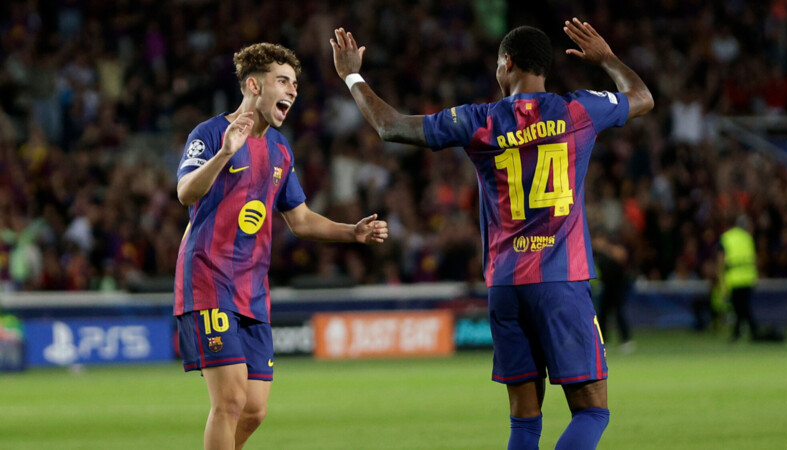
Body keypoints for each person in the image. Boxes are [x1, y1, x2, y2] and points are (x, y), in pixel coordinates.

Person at [331, 18, 653, 449]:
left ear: (508, 63)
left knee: (524, 422)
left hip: (505, 285)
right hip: (561, 280)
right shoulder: (579, 110)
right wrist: (608, 58)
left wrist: (352, 75)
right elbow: (643, 98)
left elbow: (390, 126)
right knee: (592, 411)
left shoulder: (479, 120)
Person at [174, 42, 388, 450]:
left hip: (252, 289)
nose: (293, 90)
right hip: (208, 280)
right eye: (283, 81)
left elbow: (301, 219)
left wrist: (352, 232)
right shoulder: (210, 134)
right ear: (254, 86)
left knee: (254, 409)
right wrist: (224, 154)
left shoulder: (280, 150)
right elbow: (186, 192)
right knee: (230, 400)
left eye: (295, 84)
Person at [719, 216, 759, 341]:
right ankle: (744, 332)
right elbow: (754, 259)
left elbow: (721, 259)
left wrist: (721, 279)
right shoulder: (748, 238)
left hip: (735, 279)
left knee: (740, 308)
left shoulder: (727, 237)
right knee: (742, 307)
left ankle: (749, 331)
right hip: (748, 277)